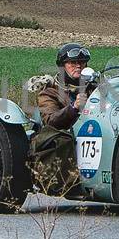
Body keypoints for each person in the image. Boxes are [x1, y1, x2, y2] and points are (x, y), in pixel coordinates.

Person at [27, 42, 93, 195]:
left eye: (82, 63)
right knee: (64, 139)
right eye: (73, 63)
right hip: (62, 136)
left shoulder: (93, 88)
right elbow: (50, 120)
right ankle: (68, 184)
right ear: (63, 66)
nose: (78, 66)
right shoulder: (49, 92)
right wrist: (73, 108)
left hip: (90, 132)